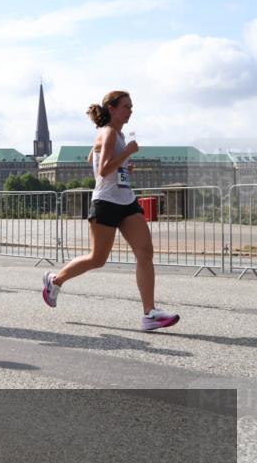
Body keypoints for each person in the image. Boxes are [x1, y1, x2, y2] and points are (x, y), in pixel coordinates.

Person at [42, 91, 179, 331]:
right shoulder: (107, 133)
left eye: (132, 106)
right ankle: (55, 280)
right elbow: (103, 169)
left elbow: (92, 160)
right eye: (126, 106)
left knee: (145, 252)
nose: (130, 110)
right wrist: (126, 154)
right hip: (106, 202)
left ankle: (150, 313)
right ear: (112, 109)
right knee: (97, 259)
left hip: (126, 201)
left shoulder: (117, 134)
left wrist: (124, 165)